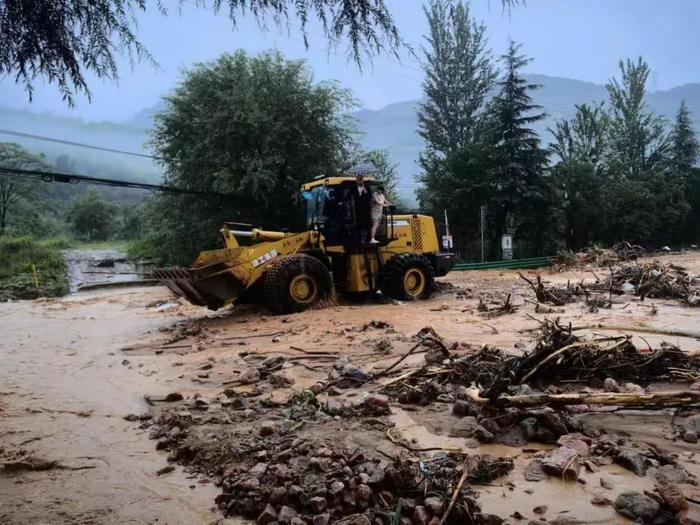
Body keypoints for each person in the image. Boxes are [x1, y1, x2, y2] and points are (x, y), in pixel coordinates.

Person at [351, 174, 372, 243]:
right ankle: (358, 238)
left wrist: (365, 192)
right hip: (357, 210)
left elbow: (370, 198)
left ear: (363, 180)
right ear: (356, 181)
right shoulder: (354, 188)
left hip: (366, 210)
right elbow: (350, 196)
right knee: (358, 225)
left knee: (365, 225)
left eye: (361, 180)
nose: (360, 181)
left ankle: (366, 238)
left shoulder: (367, 187)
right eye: (358, 180)